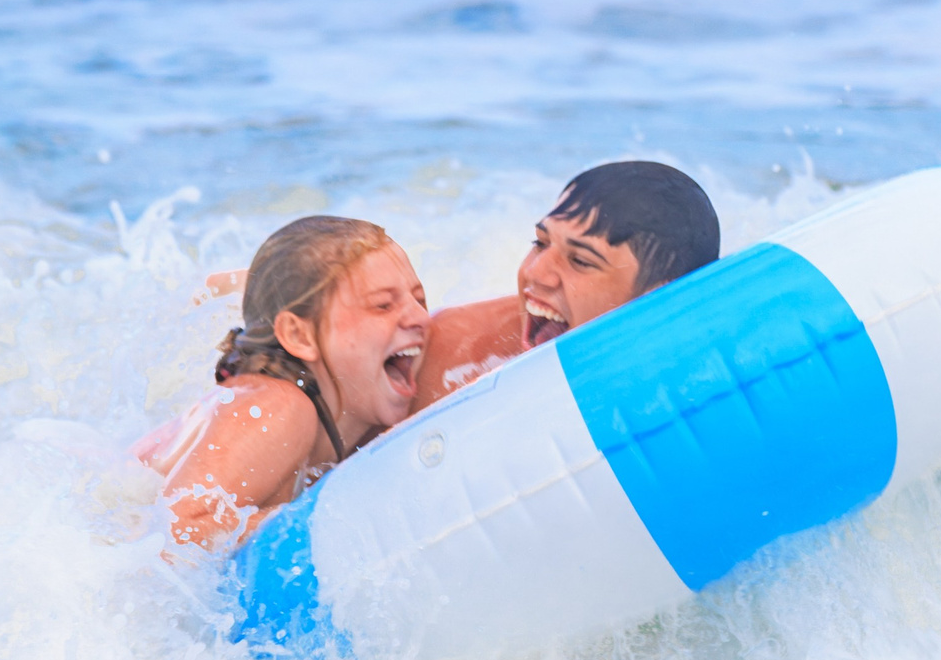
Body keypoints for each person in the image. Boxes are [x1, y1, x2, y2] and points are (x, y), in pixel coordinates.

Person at [136, 215, 430, 551]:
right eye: (382, 305)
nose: (420, 318)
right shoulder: (278, 407)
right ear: (298, 335)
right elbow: (172, 532)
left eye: (419, 299)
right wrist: (319, 513)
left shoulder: (352, 401)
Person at [408, 160, 719, 412]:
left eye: (580, 261)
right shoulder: (454, 354)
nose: (535, 272)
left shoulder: (706, 384)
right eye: (540, 243)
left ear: (654, 302)